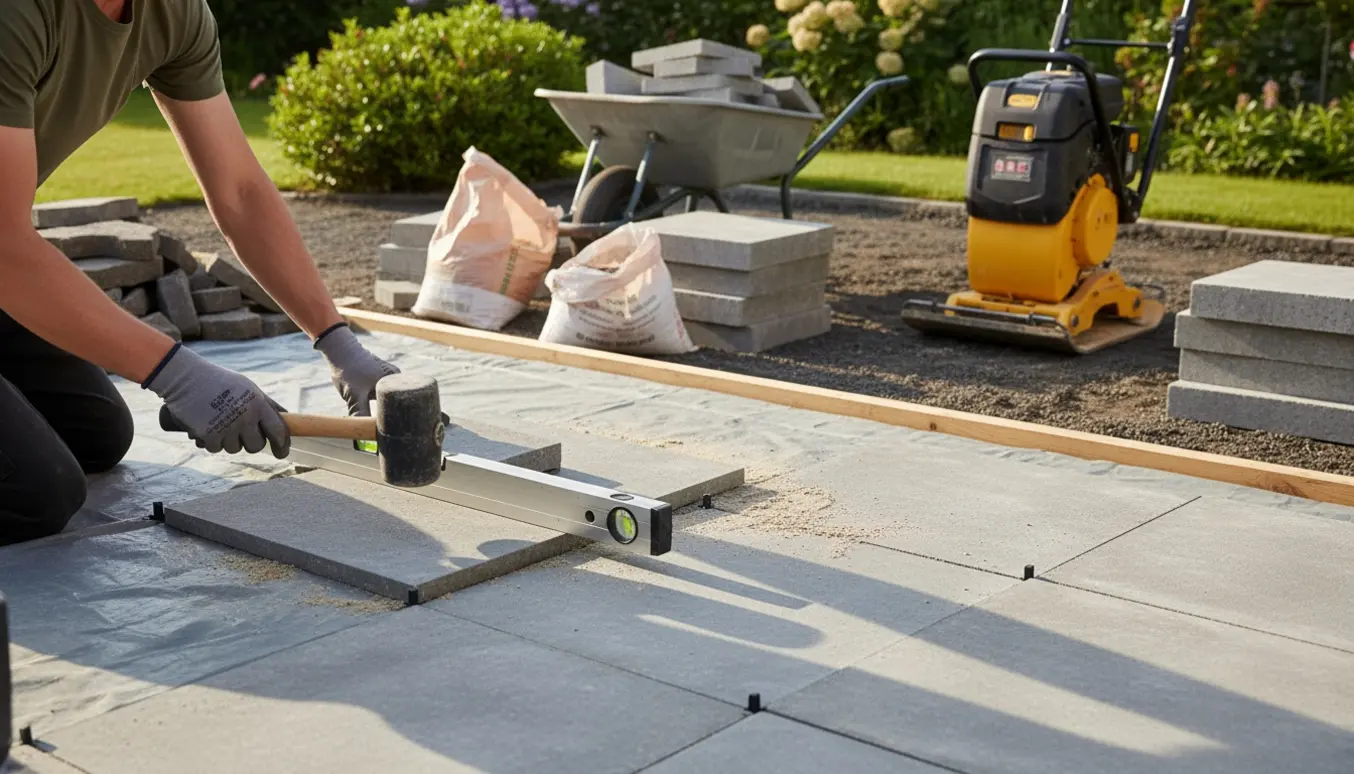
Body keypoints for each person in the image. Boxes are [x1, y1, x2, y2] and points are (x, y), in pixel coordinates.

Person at [0, 0, 399, 546]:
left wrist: (338, 342)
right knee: (36, 492)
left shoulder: (173, 11)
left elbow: (239, 190)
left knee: (97, 434)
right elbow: (4, 243)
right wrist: (181, 376)